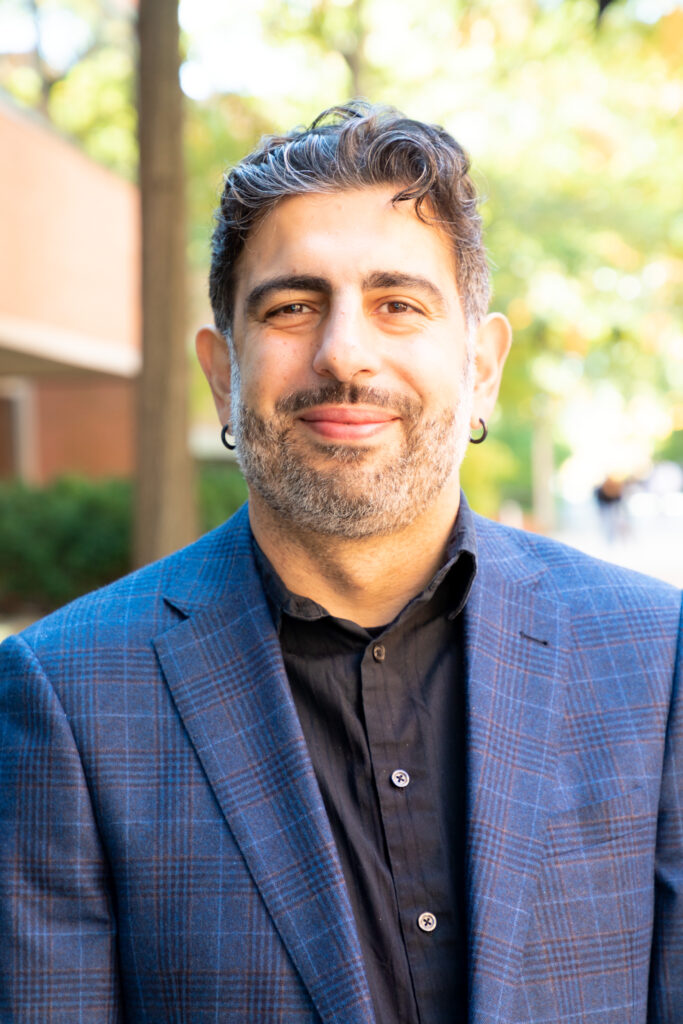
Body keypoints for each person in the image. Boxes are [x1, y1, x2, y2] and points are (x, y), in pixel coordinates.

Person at [0, 102, 681, 1024]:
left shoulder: (657, 657)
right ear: (221, 372)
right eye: (292, 306)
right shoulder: (66, 695)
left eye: (398, 304)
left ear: (480, 367)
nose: (343, 352)